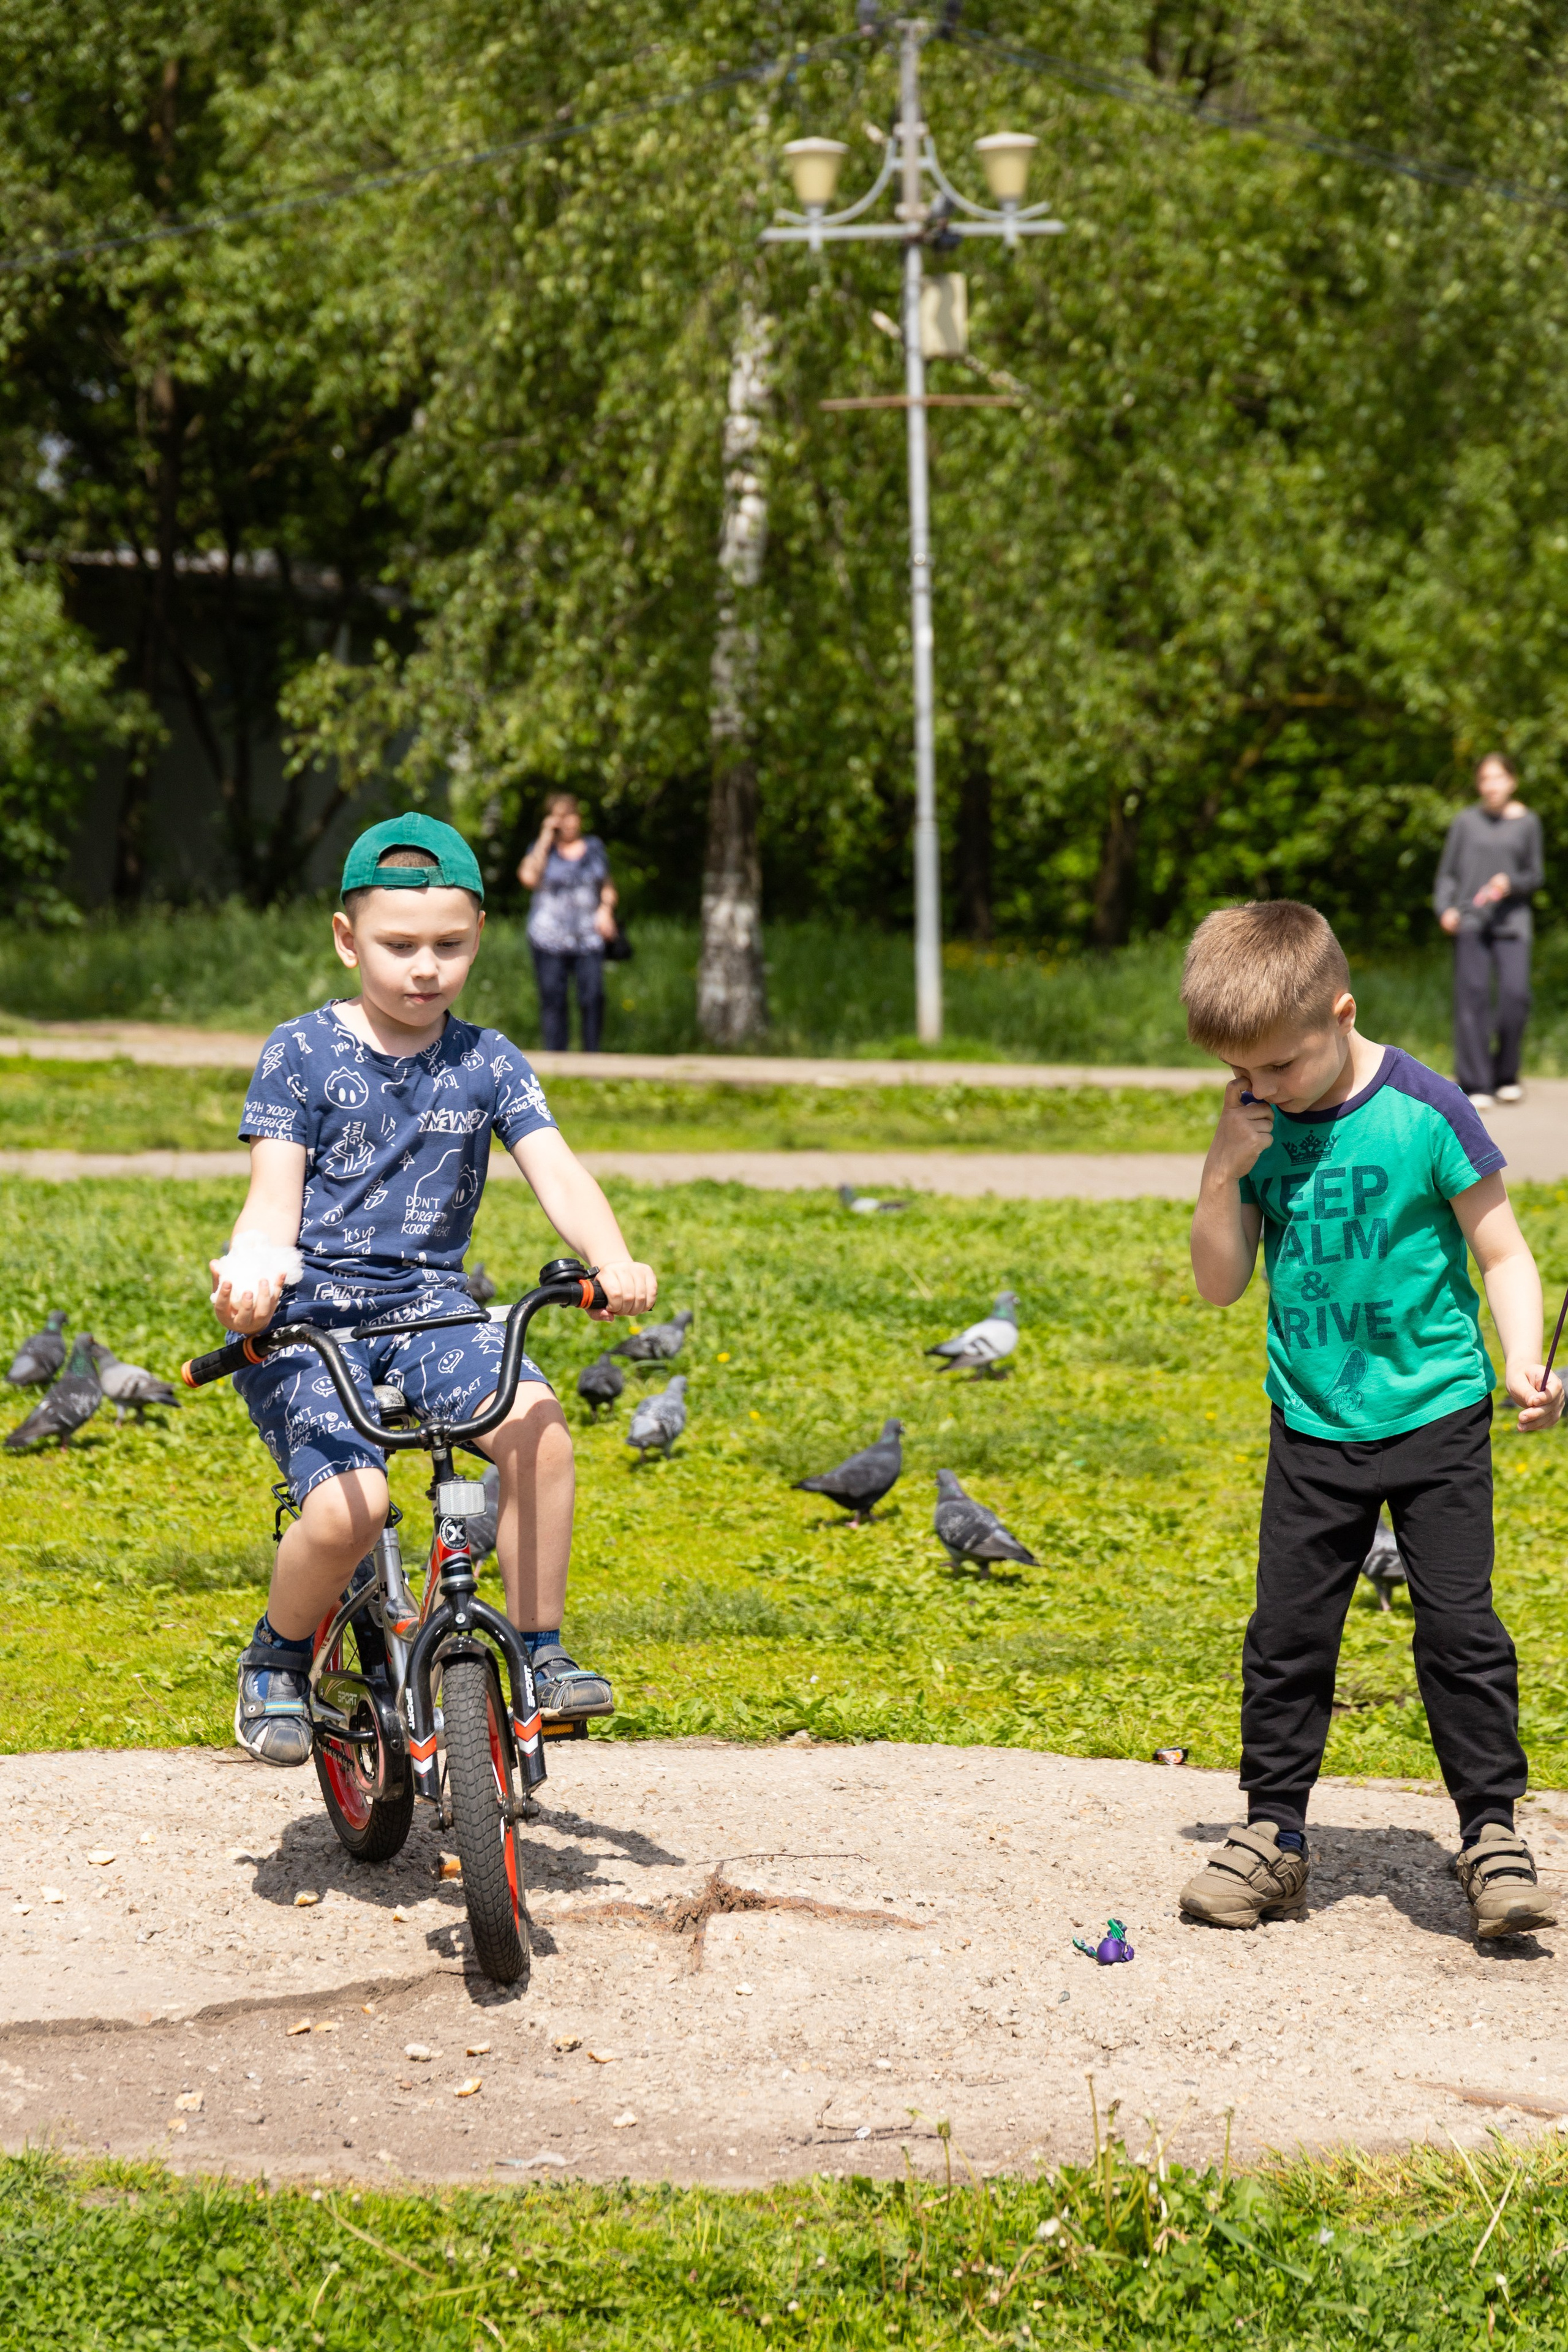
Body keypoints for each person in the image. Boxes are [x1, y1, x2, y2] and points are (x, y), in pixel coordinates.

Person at [212, 811, 656, 1767]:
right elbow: (269, 1202)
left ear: (481, 939)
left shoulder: (488, 1061)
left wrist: (613, 1259)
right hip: (310, 1316)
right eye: (400, 944)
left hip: (432, 1313)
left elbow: (560, 1173)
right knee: (350, 1509)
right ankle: (278, 1659)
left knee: (539, 1434)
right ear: (346, 939)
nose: (426, 967)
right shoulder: (300, 1053)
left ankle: (542, 1652)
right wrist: (252, 1280)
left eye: (450, 946)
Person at [1177, 897, 1562, 1939]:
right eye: (1240, 1075)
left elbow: (1504, 1254)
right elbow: (1220, 1284)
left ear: (1342, 1014)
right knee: (1289, 1637)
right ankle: (1272, 1835)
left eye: (1278, 1069)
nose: (1259, 1091)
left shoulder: (1427, 1109)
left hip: (1437, 1413)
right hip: (1311, 1422)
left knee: (1457, 1629)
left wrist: (1525, 1357)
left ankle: (1490, 1833)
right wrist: (1223, 1169)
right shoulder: (1254, 1128)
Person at [1434, 752, 1544, 1110]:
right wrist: (1445, 908)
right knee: (1473, 1000)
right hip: (1471, 921)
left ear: (1512, 781)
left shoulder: (1528, 822)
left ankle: (1506, 1076)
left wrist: (1509, 882)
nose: (1491, 785)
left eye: (1498, 778)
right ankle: (1475, 1082)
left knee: (1516, 998)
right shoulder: (1466, 822)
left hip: (1512, 925)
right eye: (1485, 779)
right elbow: (1448, 873)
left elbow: (1535, 875)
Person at [518, 793, 617, 1053]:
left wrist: (606, 910)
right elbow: (528, 878)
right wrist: (544, 838)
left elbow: (607, 885)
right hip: (548, 937)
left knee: (593, 997)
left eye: (573, 815)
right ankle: (556, 1060)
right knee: (553, 1000)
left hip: (589, 937)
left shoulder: (594, 848)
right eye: (562, 816)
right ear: (552, 821)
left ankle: (592, 1057)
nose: (570, 822)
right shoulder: (542, 851)